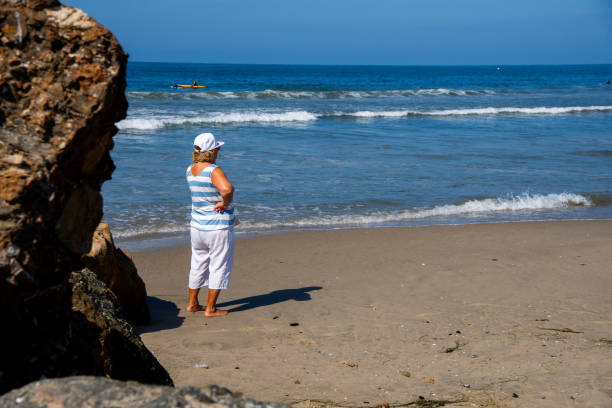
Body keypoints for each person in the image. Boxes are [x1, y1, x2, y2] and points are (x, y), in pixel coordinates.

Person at [186, 132, 235, 317]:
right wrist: (225, 203)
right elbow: (227, 189)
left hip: (197, 226)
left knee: (198, 263)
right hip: (217, 226)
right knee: (218, 265)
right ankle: (211, 308)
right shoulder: (214, 170)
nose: (219, 150)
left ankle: (192, 304)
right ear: (212, 150)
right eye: (217, 148)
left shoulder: (190, 169)